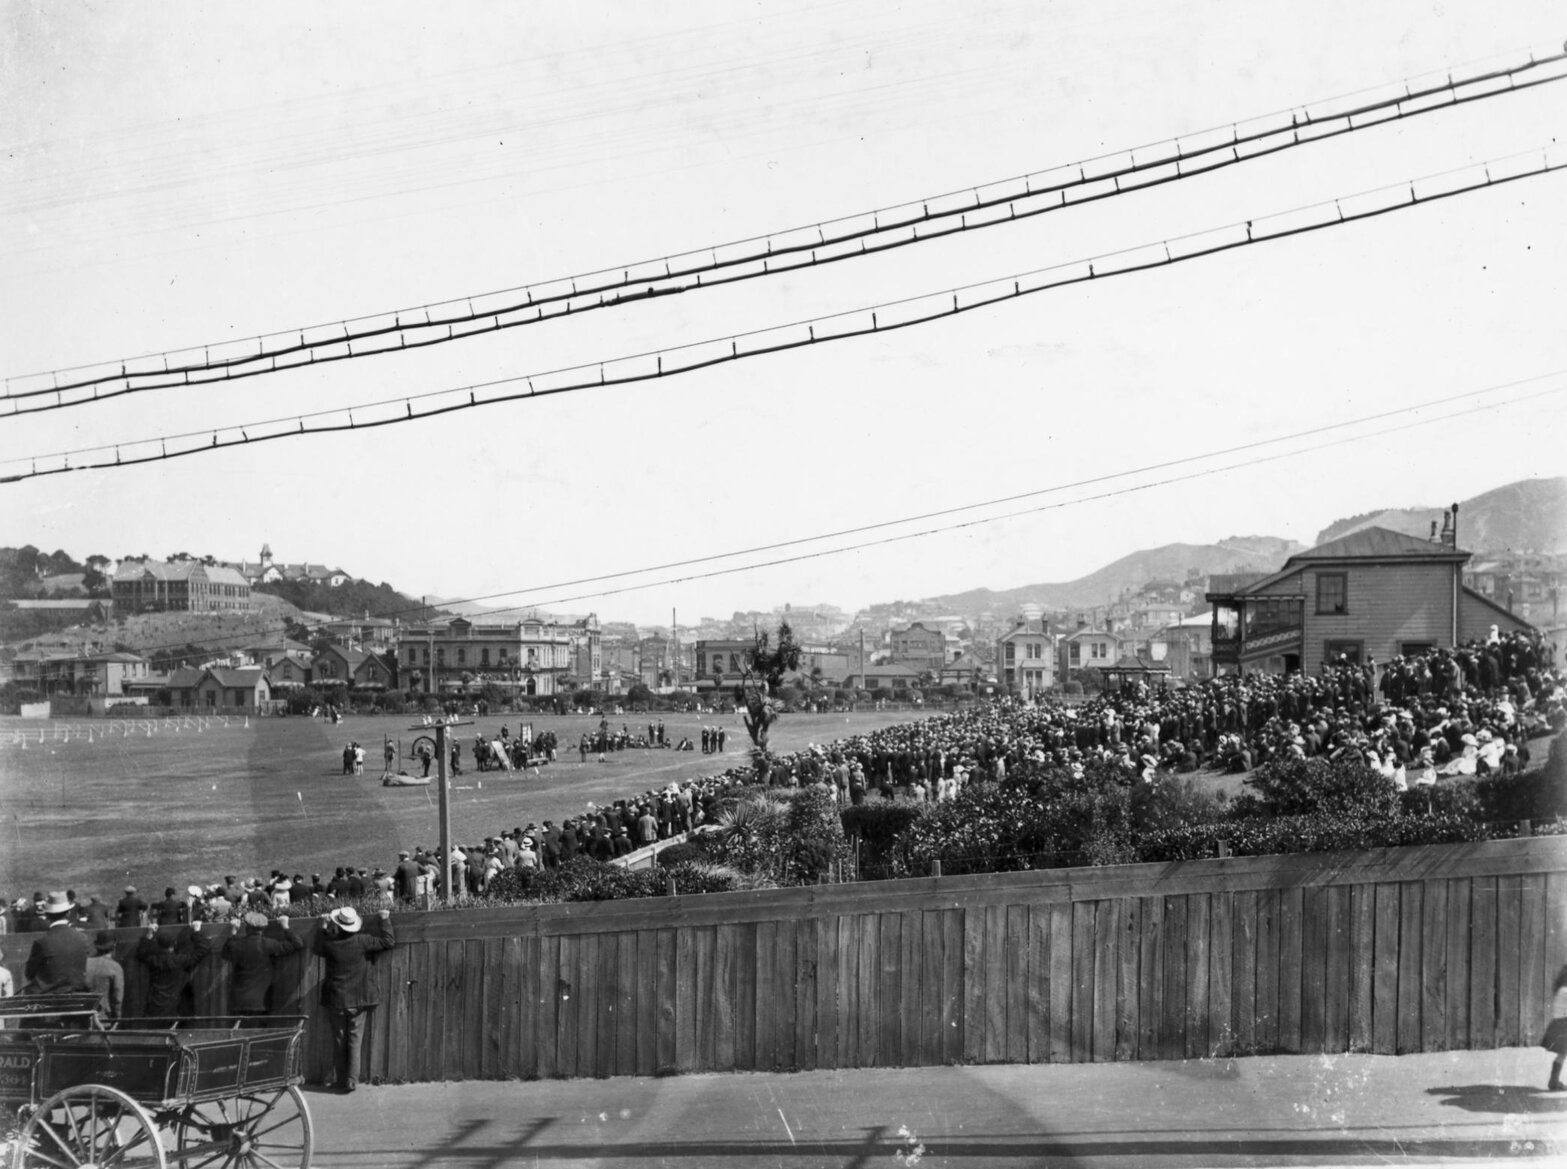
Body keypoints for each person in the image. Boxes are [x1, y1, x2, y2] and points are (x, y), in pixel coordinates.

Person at [314, 906, 395, 1093]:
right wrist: (384, 920)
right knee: (354, 1041)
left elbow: (317, 947)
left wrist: (323, 926)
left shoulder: (330, 943)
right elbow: (388, 941)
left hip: (336, 998)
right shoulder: (363, 941)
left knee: (339, 1041)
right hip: (360, 997)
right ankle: (351, 1080)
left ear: (338, 925)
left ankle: (342, 1080)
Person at [222, 912, 303, 1025]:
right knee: (257, 1038)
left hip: (238, 1001)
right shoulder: (268, 944)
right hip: (261, 1001)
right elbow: (297, 944)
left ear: (247, 927)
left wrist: (233, 932)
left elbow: (225, 954)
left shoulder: (237, 944)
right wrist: (285, 926)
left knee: (237, 1038)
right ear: (263, 928)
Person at [134, 921, 214, 1019]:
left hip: (155, 1007)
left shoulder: (154, 960)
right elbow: (203, 949)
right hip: (176, 1009)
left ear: (158, 945)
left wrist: (149, 934)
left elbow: (141, 953)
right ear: (174, 945)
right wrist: (196, 931)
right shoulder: (180, 960)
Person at [23, 891, 90, 995]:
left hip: (48, 996)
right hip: (77, 993)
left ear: (46, 914)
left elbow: (29, 974)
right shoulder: (83, 938)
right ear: (68, 913)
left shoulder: (42, 942)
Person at [84, 931, 124, 1024]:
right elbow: (118, 998)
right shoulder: (115, 967)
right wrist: (117, 1018)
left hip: (85, 1017)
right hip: (104, 1018)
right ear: (114, 946)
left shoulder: (85, 963)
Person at [1545, 964, 1567, 1092]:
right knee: (1562, 1054)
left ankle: (1554, 1081)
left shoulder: (1561, 990)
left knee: (1562, 1054)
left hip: (1560, 1025)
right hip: (1564, 1025)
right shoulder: (1565, 992)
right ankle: (1553, 1081)